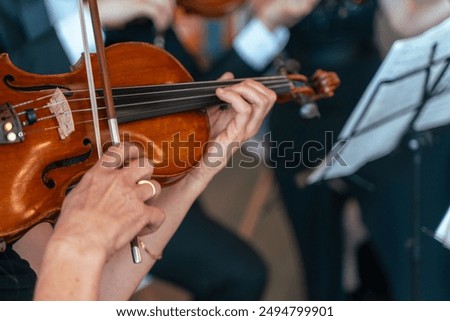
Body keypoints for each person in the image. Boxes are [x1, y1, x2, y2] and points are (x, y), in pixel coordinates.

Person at [0, 0, 277, 300]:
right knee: (244, 273)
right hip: (75, 189)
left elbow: (91, 294)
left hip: (123, 180)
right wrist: (79, 239)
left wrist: (198, 172)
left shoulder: (12, 215)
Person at [268, 0, 450, 300]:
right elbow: (256, 28)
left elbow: (405, 21)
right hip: (300, 103)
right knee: (318, 258)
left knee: (404, 228)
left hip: (367, 94)